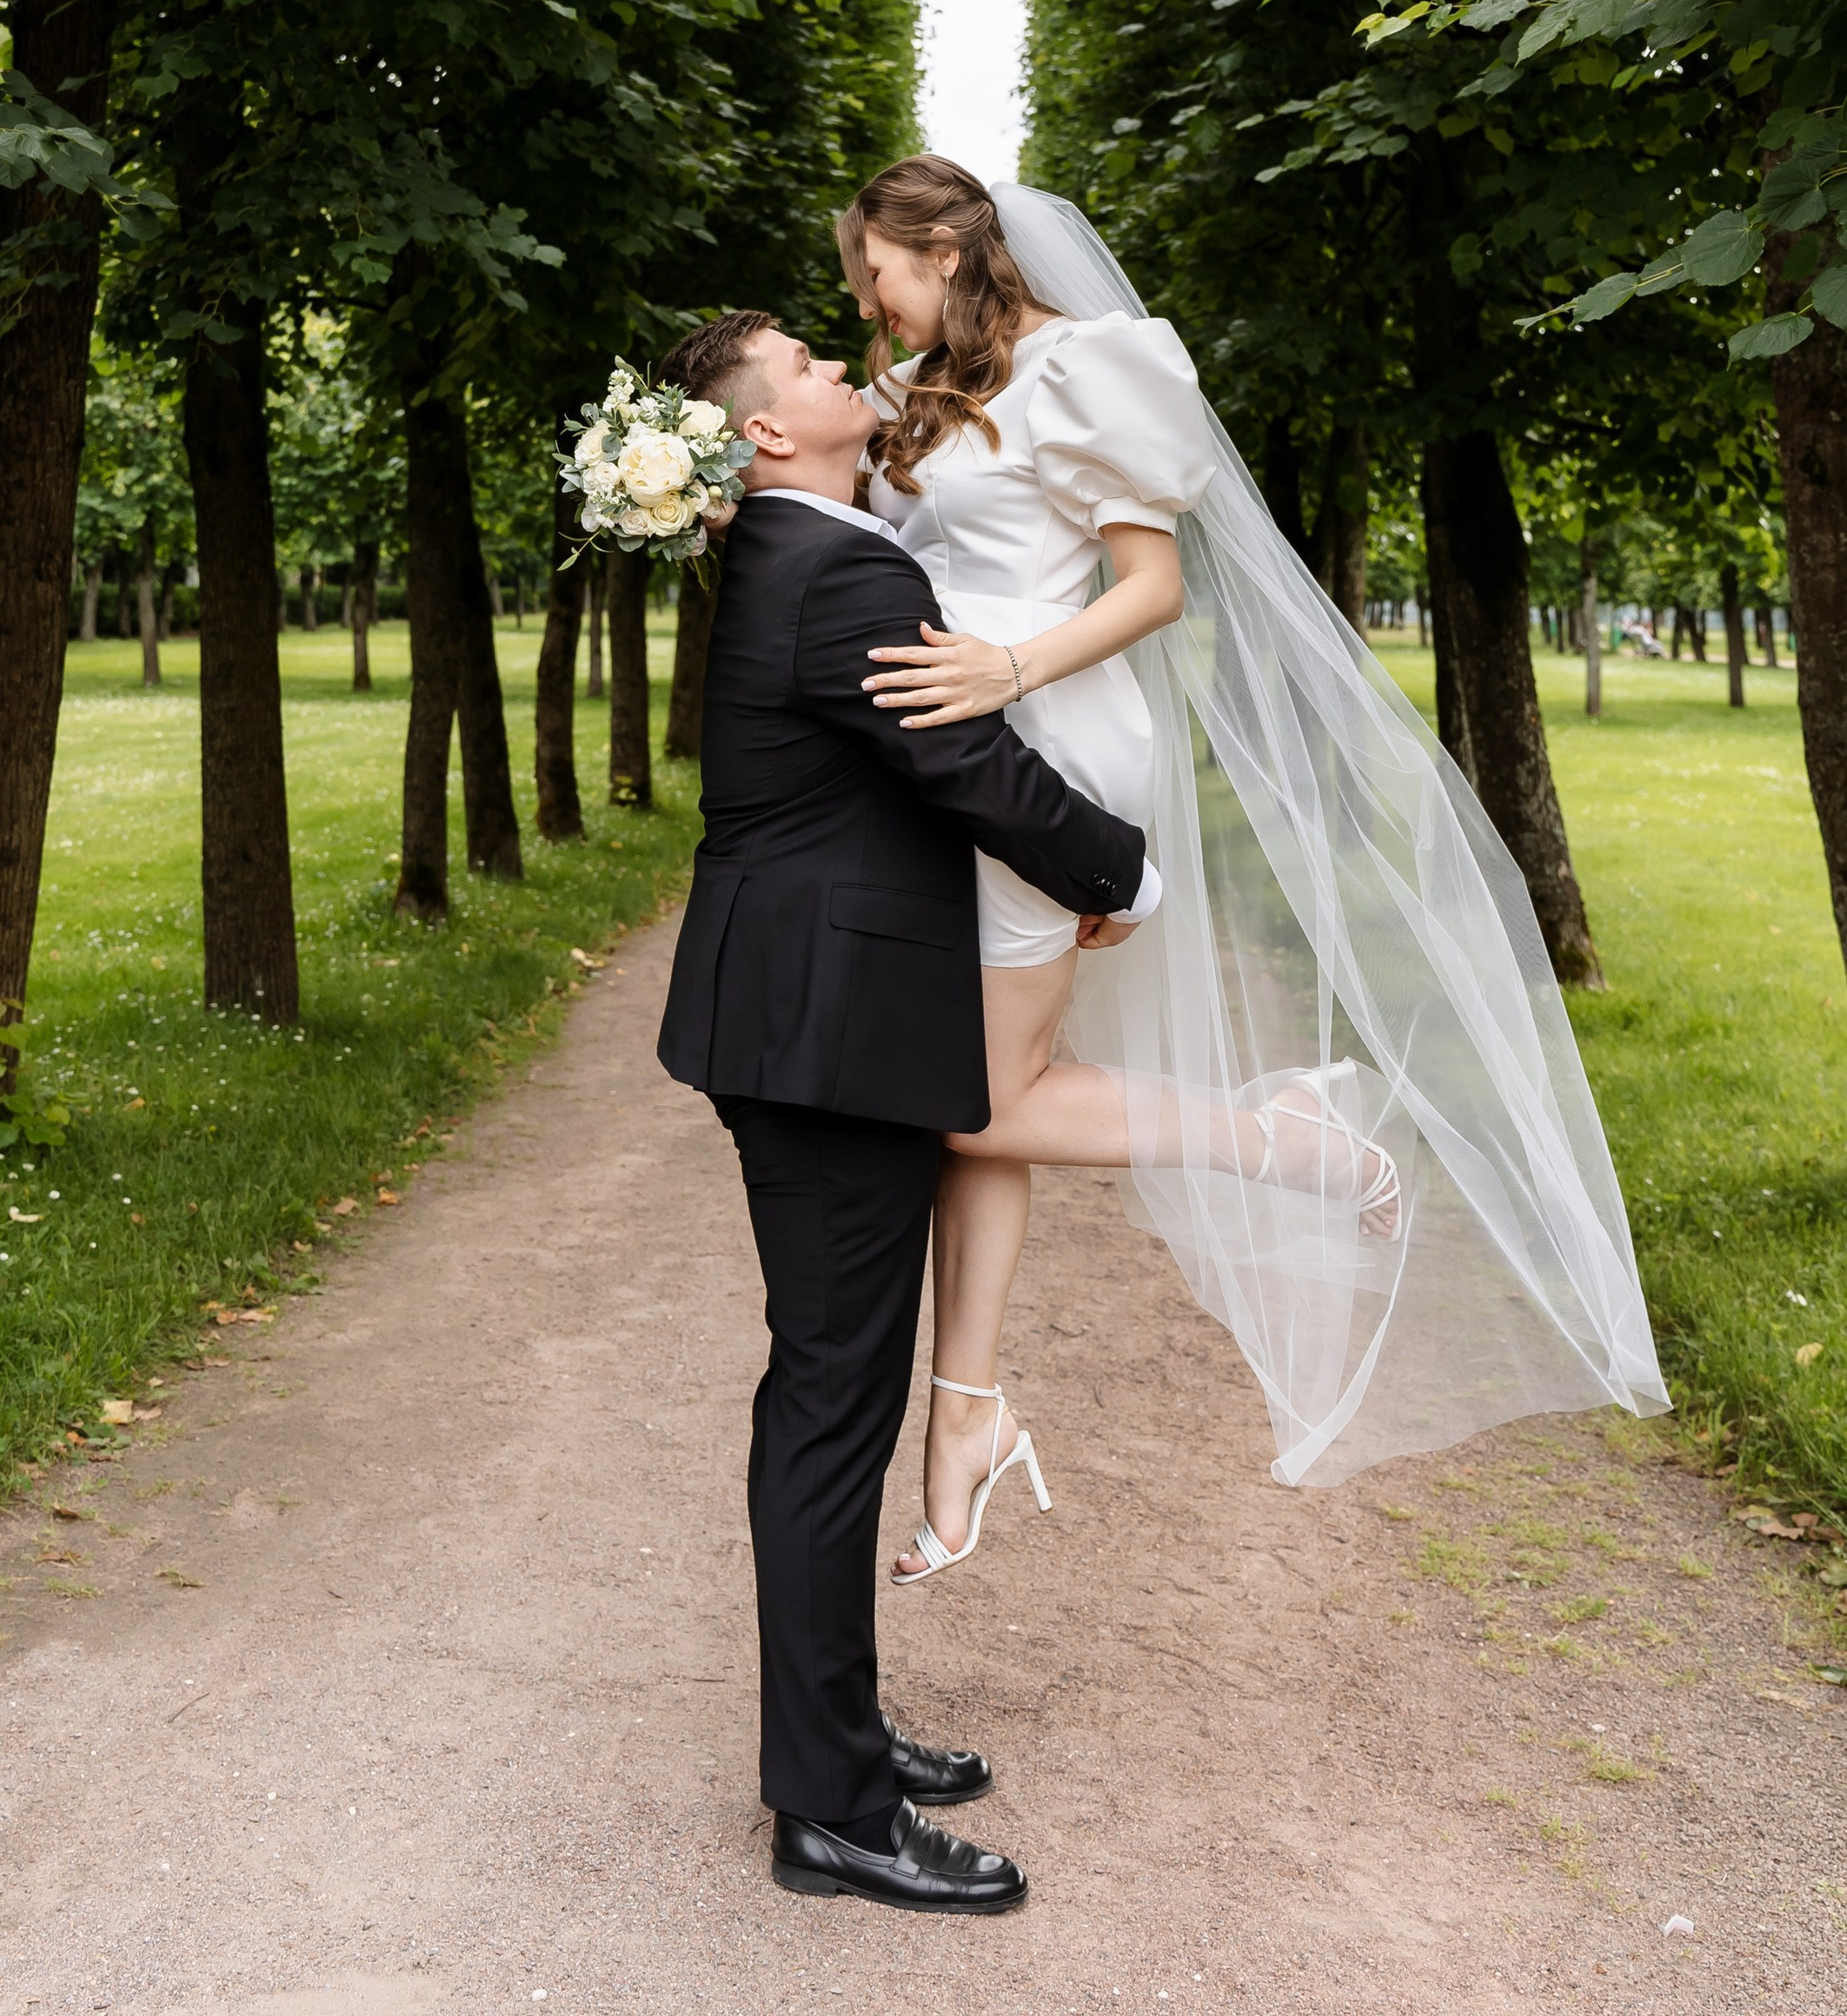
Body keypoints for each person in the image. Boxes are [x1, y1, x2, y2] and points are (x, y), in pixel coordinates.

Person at [833, 159, 1667, 1575]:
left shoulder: (1088, 369)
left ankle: (1299, 1146)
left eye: (880, 276)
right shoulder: (929, 391)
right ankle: (964, 1417)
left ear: (952, 248)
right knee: (979, 1106)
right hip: (947, 760)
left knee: (975, 1103)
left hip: (1043, 748)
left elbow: (1148, 584)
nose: (868, 303)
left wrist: (1008, 667)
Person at [654, 307, 1149, 1913]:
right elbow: (964, 759)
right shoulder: (842, 567)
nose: (836, 368)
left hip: (808, 1020)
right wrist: (1116, 865)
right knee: (828, 1407)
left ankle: (839, 1733)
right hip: (823, 1037)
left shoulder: (805, 547)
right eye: (803, 364)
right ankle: (835, 1813)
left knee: (826, 1397)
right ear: (766, 438)